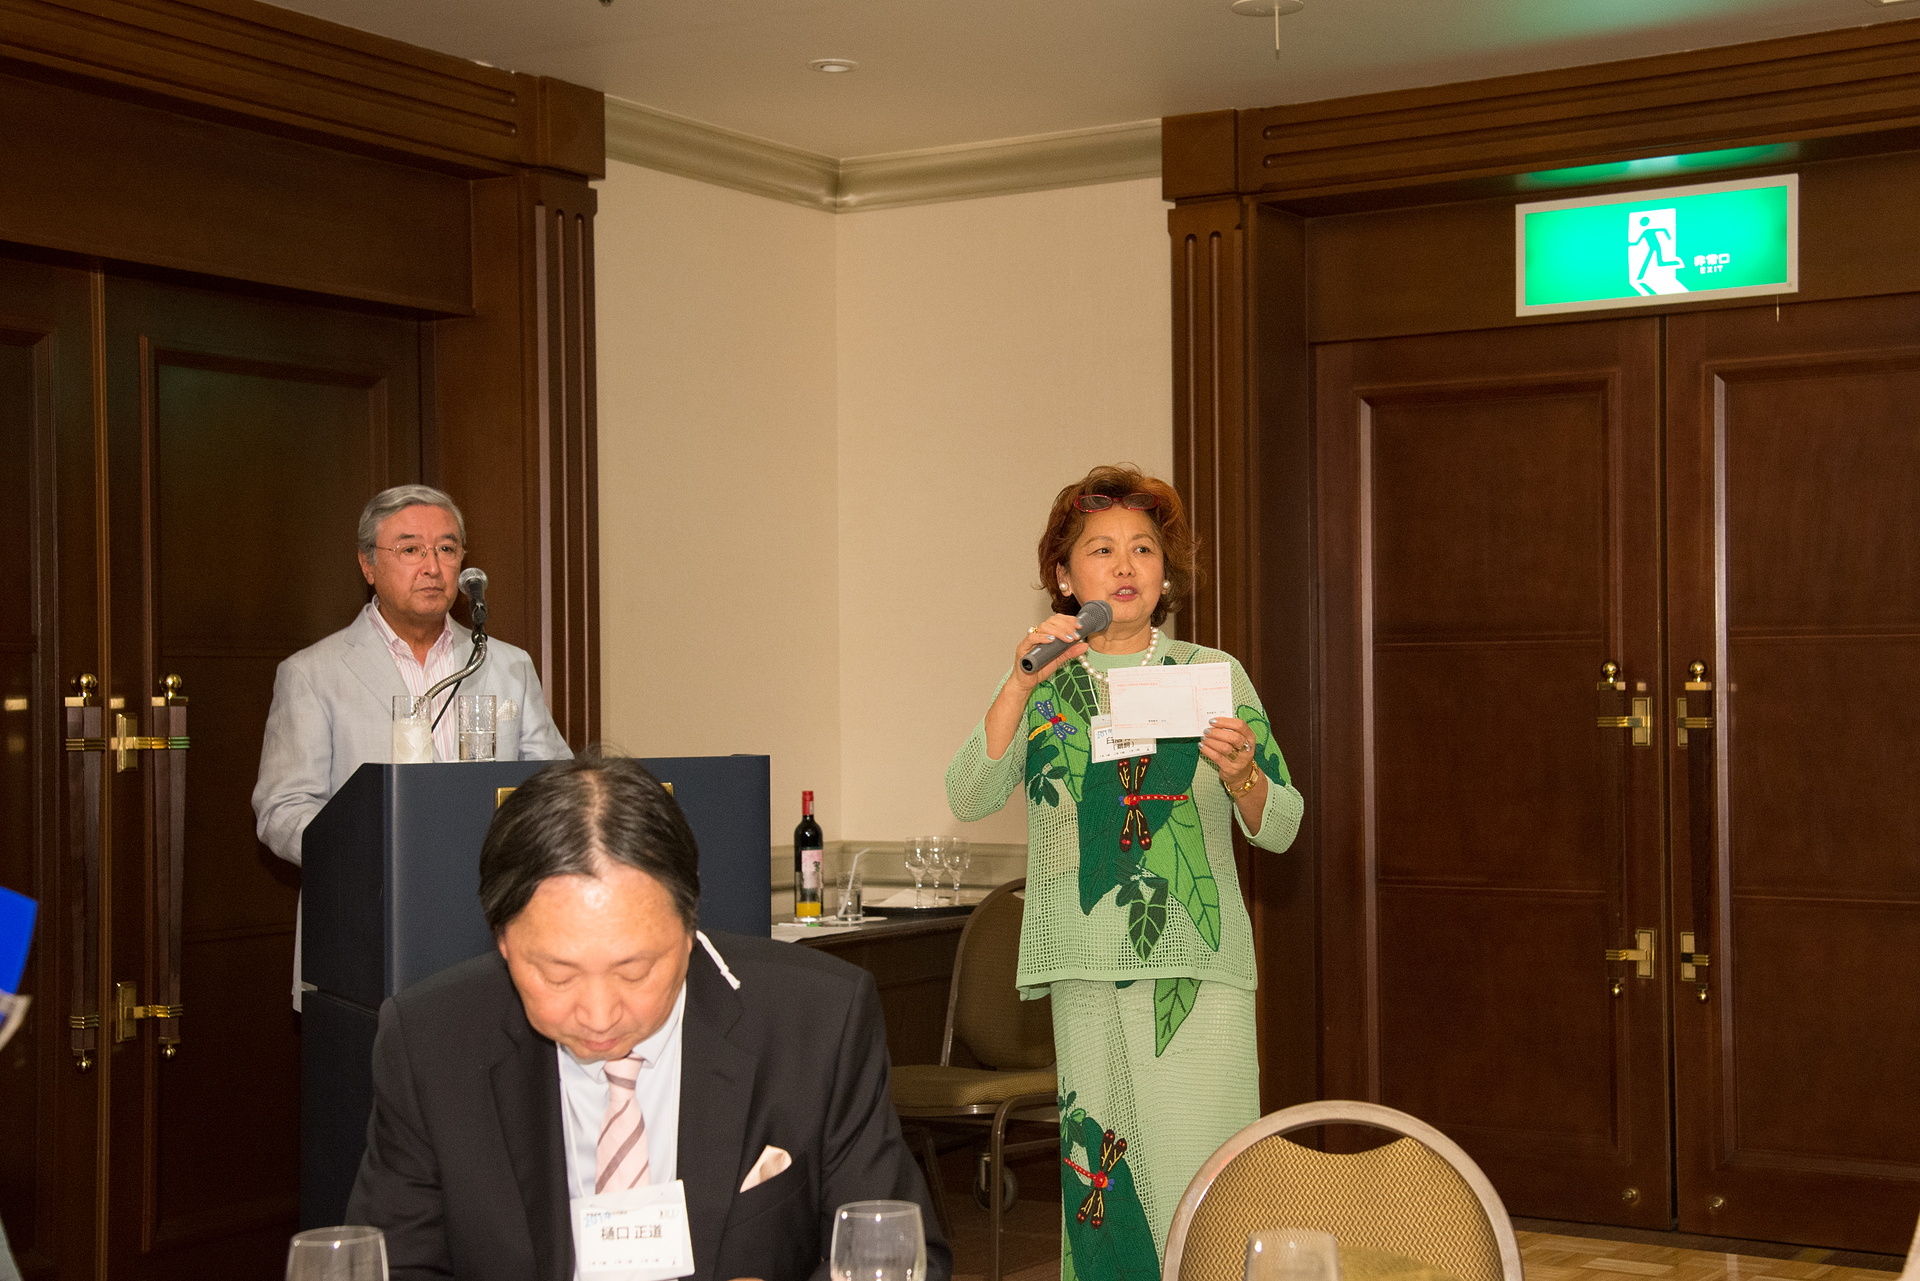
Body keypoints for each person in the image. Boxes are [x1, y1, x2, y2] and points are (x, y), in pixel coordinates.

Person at [346, 755, 951, 1281]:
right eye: (557, 975)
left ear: (689, 928)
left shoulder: (815, 1021)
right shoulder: (430, 1043)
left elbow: (898, 1254)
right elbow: (397, 1267)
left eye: (635, 971)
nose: (599, 1014)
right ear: (502, 941)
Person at [945, 464, 1304, 1279]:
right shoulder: (1045, 683)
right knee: (1103, 1199)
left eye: (1143, 547)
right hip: (1084, 970)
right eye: (1101, 549)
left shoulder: (1212, 675)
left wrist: (1243, 775)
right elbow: (968, 793)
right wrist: (1018, 682)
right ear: (1065, 577)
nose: (1125, 565)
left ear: (1165, 573)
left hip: (1196, 975)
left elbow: (1283, 825)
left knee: (1205, 1188)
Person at [252, 483, 570, 1006]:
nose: (432, 566)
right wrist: (376, 852)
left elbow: (555, 784)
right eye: (410, 549)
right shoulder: (313, 673)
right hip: (368, 929)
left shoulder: (507, 665)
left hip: (494, 927)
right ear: (368, 565)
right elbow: (282, 809)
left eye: (446, 548)